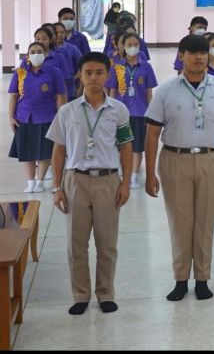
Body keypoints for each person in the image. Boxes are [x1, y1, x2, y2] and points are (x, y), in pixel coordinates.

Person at [144, 34, 214, 302]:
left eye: (203, 52)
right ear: (181, 56)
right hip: (175, 160)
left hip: (212, 159)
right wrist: (149, 172)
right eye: (192, 52)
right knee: (179, 222)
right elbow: (152, 133)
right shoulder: (166, 90)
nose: (199, 57)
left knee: (206, 222)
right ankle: (180, 279)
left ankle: (202, 278)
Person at [48, 52, 133, 316]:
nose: (94, 78)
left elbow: (126, 147)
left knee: (107, 243)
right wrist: (57, 187)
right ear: (80, 75)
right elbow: (59, 150)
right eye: (88, 73)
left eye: (99, 73)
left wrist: (126, 183)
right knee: (76, 243)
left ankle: (106, 293)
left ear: (107, 75)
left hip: (108, 180)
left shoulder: (118, 110)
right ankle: (81, 295)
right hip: (76, 180)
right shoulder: (67, 111)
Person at [9, 41, 68, 192]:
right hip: (24, 116)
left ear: (45, 54)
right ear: (28, 56)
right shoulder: (20, 73)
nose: (36, 54)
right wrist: (11, 117)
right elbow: (14, 96)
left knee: (44, 151)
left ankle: (40, 181)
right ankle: (30, 182)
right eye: (33, 52)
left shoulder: (54, 72)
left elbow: (60, 96)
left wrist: (61, 117)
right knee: (26, 150)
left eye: (39, 51)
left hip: (47, 116)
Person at [107, 33, 158, 190]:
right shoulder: (118, 67)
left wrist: (151, 114)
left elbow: (149, 92)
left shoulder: (146, 67)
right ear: (122, 46)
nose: (132, 47)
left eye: (135, 44)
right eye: (129, 44)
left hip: (140, 113)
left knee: (137, 146)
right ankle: (123, 173)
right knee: (120, 145)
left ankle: (134, 177)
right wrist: (110, 111)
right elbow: (112, 91)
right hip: (121, 113)